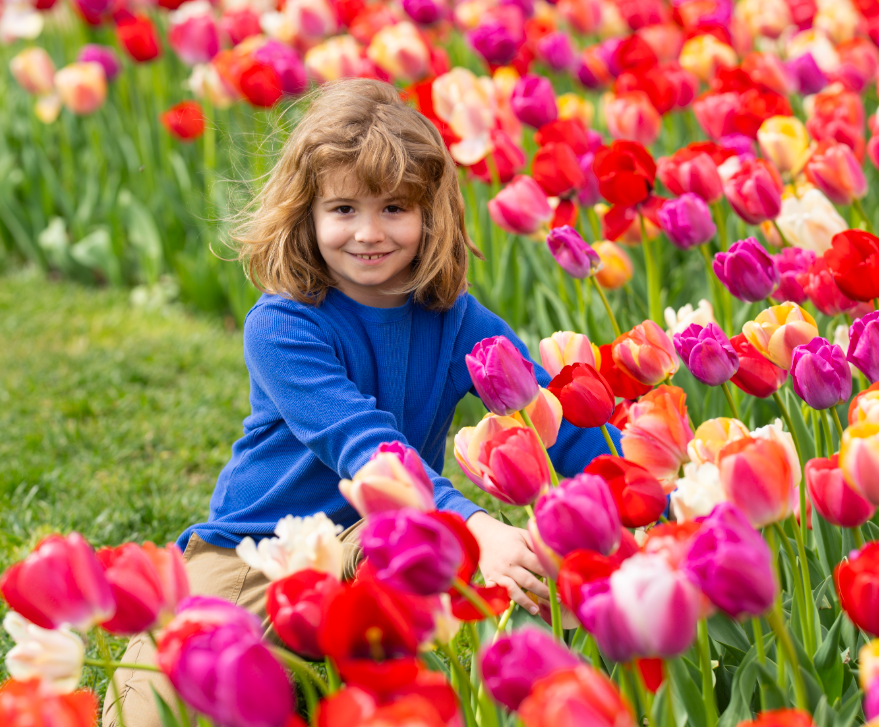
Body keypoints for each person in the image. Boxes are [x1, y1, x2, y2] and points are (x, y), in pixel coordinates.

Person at [103, 78, 619, 726]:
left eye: (394, 209)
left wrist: (636, 488)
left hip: (381, 538)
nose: (369, 233)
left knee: (489, 594)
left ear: (431, 213)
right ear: (307, 213)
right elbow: (365, 446)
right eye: (344, 209)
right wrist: (472, 526)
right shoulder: (284, 325)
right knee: (147, 709)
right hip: (258, 551)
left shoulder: (458, 321)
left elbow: (559, 421)